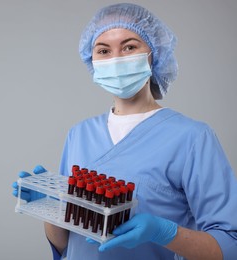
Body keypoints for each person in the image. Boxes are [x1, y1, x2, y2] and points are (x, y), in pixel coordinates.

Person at [12, 3, 237, 259]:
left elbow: (230, 245)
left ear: (154, 53)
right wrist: (50, 209)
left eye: (129, 47)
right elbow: (66, 247)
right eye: (104, 50)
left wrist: (166, 233)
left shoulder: (193, 138)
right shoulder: (80, 133)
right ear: (92, 60)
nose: (116, 58)